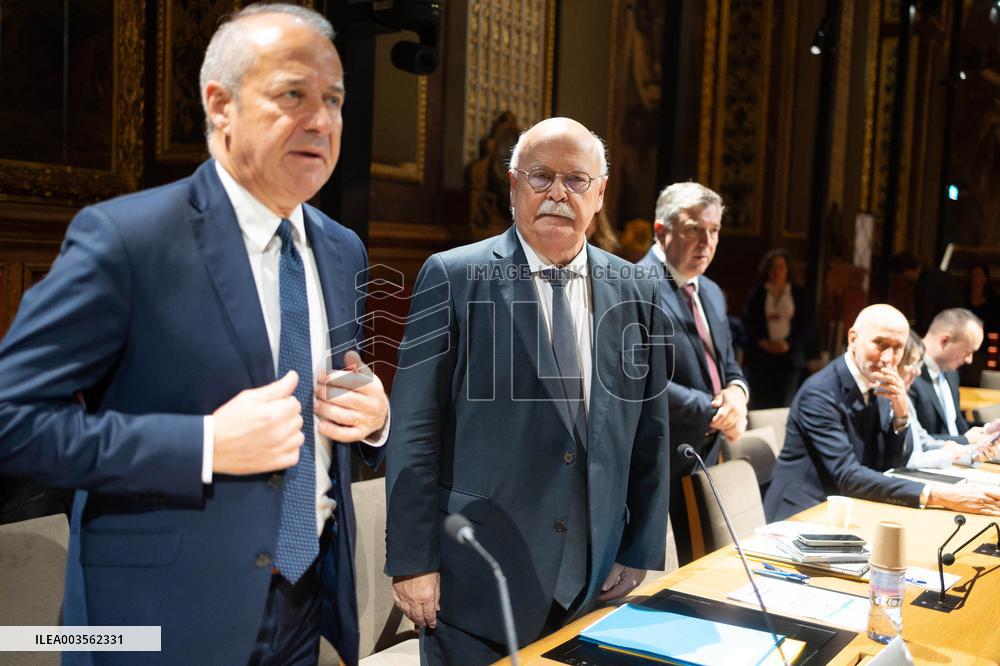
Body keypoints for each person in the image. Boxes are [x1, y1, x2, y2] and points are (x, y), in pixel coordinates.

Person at [0, 5, 389, 664]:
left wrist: (374, 418)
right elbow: (12, 421)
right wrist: (204, 444)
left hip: (306, 608)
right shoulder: (127, 239)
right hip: (164, 617)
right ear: (221, 105)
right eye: (293, 94)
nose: (321, 121)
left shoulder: (342, 249)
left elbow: (333, 405)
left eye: (334, 100)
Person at [384, 117, 670, 666]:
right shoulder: (454, 276)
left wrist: (637, 550)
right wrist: (413, 562)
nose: (558, 193)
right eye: (541, 176)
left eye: (576, 180)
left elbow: (649, 431)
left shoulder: (637, 288)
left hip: (593, 581)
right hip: (478, 585)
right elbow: (415, 431)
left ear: (600, 194)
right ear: (513, 185)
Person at [764, 305, 1000, 521]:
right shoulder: (820, 393)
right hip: (803, 513)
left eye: (898, 348)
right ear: (853, 339)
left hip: (852, 507)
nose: (888, 359)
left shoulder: (880, 384)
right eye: (880, 344)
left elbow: (892, 464)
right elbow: (848, 476)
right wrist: (939, 495)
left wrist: (901, 416)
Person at [635, 181, 748, 564]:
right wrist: (715, 410)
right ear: (661, 231)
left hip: (707, 452)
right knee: (653, 579)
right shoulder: (633, 286)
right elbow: (640, 383)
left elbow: (730, 365)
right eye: (693, 229)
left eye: (714, 230)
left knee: (703, 569)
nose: (706, 241)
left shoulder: (712, 292)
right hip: (656, 460)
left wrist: (738, 395)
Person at [898, 332, 997, 469]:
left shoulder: (951, 374)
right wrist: (963, 448)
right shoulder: (906, 386)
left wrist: (974, 449)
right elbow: (905, 456)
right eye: (910, 363)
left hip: (945, 463)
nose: (970, 360)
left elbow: (922, 440)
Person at [742, 248, 810, 408]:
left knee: (784, 405)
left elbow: (805, 324)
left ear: (787, 269)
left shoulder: (798, 294)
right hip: (762, 358)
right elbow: (749, 322)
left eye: (780, 266)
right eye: (772, 267)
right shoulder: (758, 293)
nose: (776, 271)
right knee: (761, 404)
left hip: (789, 358)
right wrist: (763, 342)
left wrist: (788, 343)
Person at [908, 308, 984, 442]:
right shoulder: (909, 373)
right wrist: (964, 441)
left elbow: (956, 425)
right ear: (945, 341)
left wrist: (986, 432)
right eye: (967, 351)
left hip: (962, 457)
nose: (969, 360)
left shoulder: (952, 373)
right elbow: (913, 439)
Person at [890, 251, 965, 336]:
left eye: (898, 278)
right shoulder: (934, 275)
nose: (900, 283)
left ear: (905, 272)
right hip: (956, 327)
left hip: (946, 331)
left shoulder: (925, 283)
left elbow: (925, 319)